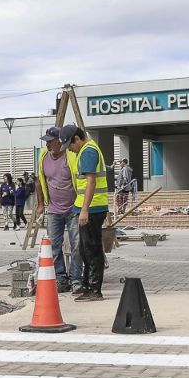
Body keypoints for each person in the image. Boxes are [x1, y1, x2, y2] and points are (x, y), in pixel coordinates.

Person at [59, 125, 110, 302]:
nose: (70, 151)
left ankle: (95, 289)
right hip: (87, 207)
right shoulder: (86, 150)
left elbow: (91, 182)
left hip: (93, 208)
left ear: (77, 139)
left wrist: (85, 210)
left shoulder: (88, 151)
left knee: (92, 249)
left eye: (70, 146)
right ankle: (88, 286)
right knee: (85, 249)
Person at [35, 126, 81, 292]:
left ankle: (76, 280)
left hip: (74, 209)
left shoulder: (71, 156)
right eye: (46, 141)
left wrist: (82, 206)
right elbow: (39, 181)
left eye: (51, 141)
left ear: (60, 142)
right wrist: (41, 204)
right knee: (55, 245)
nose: (47, 145)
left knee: (76, 246)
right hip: (54, 209)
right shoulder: (43, 156)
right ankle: (61, 279)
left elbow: (81, 179)